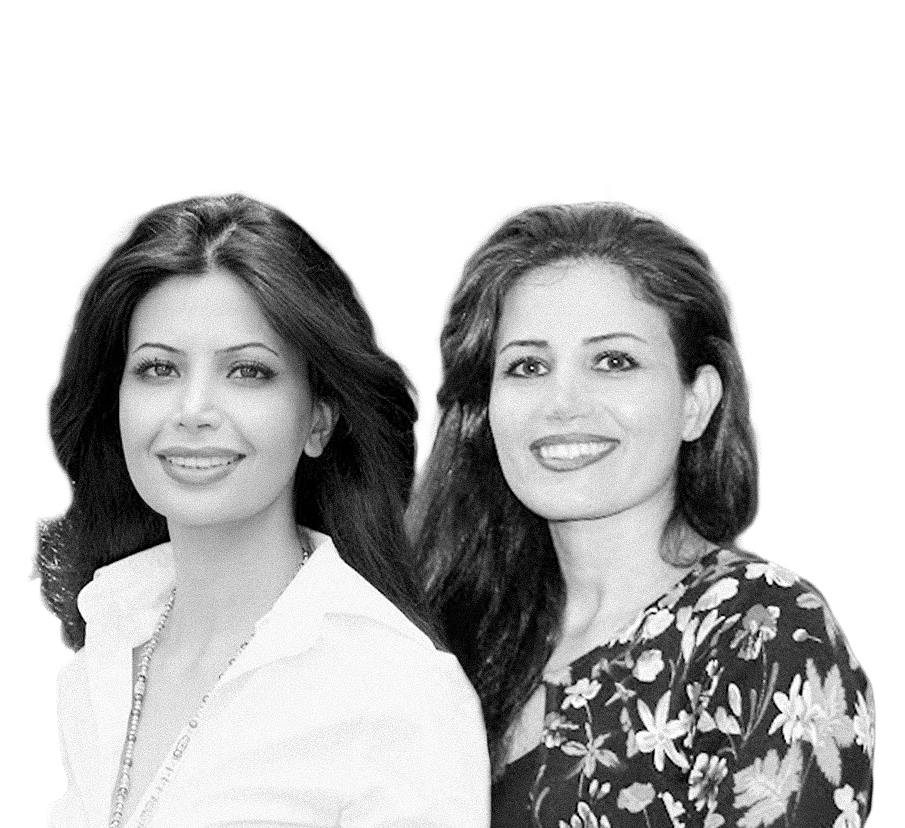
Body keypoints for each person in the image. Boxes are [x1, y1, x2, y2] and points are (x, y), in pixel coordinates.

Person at [410, 203, 874, 827]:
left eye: (614, 361)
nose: (562, 403)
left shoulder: (763, 634)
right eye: (528, 366)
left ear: (696, 401)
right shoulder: (441, 635)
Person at [39, 194, 490, 828]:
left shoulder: (399, 693)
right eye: (159, 369)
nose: (193, 410)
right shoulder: (105, 648)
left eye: (248, 371)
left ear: (319, 420)